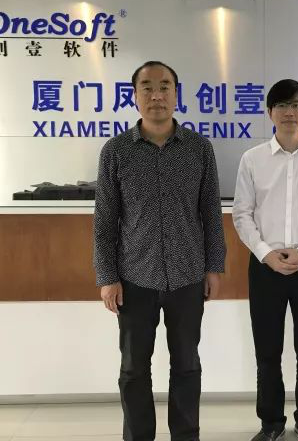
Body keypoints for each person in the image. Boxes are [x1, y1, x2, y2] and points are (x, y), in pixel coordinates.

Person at [94, 61, 226, 441]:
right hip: (134, 277)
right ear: (135, 96)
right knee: (134, 369)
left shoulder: (199, 149)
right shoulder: (116, 151)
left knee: (186, 365)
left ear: (176, 94)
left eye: (165, 86)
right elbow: (104, 221)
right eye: (147, 87)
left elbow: (211, 213)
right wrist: (107, 277)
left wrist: (214, 267)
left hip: (188, 275)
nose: (156, 95)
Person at [233, 79, 298, 441]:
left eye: (296, 105)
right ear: (270, 113)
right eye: (281, 105)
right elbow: (242, 214)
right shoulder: (253, 159)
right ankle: (271, 423)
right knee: (267, 352)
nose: (289, 112)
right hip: (265, 267)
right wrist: (266, 254)